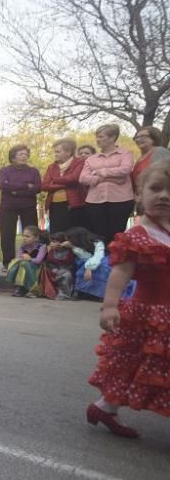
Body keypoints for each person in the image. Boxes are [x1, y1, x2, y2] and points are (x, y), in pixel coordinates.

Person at [85, 160, 170, 439]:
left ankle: (104, 408)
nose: (164, 196)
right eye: (156, 189)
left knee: (155, 368)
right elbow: (120, 274)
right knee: (132, 365)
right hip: (147, 315)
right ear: (139, 194)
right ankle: (105, 406)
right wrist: (110, 306)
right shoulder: (138, 234)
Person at [80, 124, 135, 245]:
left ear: (112, 137)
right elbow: (83, 178)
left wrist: (101, 172)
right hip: (95, 201)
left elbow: (125, 170)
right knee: (99, 234)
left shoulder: (126, 154)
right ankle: (103, 261)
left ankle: (117, 260)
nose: (97, 140)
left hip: (121, 200)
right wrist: (108, 179)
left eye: (101, 136)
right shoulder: (91, 159)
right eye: (97, 137)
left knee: (117, 234)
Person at [0, 144, 41, 272]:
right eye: (21, 154)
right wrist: (26, 186)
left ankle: (32, 260)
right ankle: (8, 263)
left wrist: (16, 191)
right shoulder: (5, 171)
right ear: (13, 157)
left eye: (25, 154)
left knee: (32, 234)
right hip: (8, 206)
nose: (24, 156)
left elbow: (37, 188)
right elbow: (3, 185)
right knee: (7, 234)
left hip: (28, 206)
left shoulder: (33, 171)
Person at [41, 137, 87, 233]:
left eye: (58, 151)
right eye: (55, 152)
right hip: (54, 205)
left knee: (73, 234)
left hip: (73, 205)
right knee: (56, 234)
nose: (55, 154)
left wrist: (55, 180)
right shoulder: (52, 167)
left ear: (69, 152)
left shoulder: (79, 163)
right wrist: (65, 184)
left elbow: (74, 178)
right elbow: (44, 185)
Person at [65, 227, 111, 300]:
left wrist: (89, 267)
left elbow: (98, 256)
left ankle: (101, 294)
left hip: (99, 262)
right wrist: (73, 247)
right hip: (86, 262)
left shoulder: (98, 243)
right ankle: (80, 291)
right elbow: (86, 257)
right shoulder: (76, 246)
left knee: (102, 268)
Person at [6, 225, 46, 297]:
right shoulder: (22, 246)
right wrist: (21, 259)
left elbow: (39, 261)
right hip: (24, 266)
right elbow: (18, 258)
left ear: (36, 238)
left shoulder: (42, 247)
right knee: (19, 264)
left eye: (28, 236)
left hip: (37, 268)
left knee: (25, 264)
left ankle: (34, 290)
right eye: (23, 236)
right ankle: (21, 288)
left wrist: (29, 258)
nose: (24, 238)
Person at [130, 126, 170, 194]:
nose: (138, 140)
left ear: (153, 138)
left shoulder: (160, 152)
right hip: (142, 197)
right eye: (136, 137)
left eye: (143, 136)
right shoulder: (140, 158)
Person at [41, 232, 76, 300]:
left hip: (66, 270)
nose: (51, 244)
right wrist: (53, 268)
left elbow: (72, 264)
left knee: (67, 275)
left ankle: (64, 294)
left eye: (54, 242)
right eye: (51, 241)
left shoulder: (69, 252)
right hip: (54, 271)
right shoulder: (51, 251)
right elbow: (49, 262)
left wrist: (64, 269)